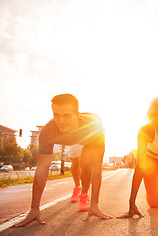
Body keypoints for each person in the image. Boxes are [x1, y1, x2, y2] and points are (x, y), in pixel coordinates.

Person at [15, 94, 112, 227]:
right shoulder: (47, 132)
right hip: (72, 139)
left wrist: (94, 204)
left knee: (87, 164)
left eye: (66, 115)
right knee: (75, 163)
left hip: (88, 134)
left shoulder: (95, 128)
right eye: (56, 115)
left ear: (76, 114)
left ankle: (85, 196)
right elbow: (42, 168)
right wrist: (34, 208)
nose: (60, 121)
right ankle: (77, 188)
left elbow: (97, 167)